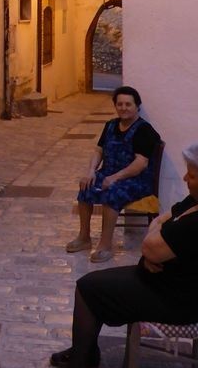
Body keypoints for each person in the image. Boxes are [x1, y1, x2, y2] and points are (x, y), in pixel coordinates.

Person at [41, 141, 198, 368]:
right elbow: (159, 221)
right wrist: (155, 247)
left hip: (175, 302)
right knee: (96, 282)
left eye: (193, 174)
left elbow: (149, 244)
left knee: (87, 287)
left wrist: (154, 247)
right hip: (165, 284)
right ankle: (84, 352)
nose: (186, 177)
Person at [66, 86, 161, 263]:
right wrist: (91, 171)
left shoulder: (144, 130)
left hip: (136, 180)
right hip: (109, 174)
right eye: (120, 104)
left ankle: (105, 245)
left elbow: (141, 163)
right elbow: (98, 151)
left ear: (136, 106)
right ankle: (84, 237)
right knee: (86, 187)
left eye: (128, 104)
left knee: (112, 193)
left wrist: (115, 178)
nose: (124, 108)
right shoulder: (110, 125)